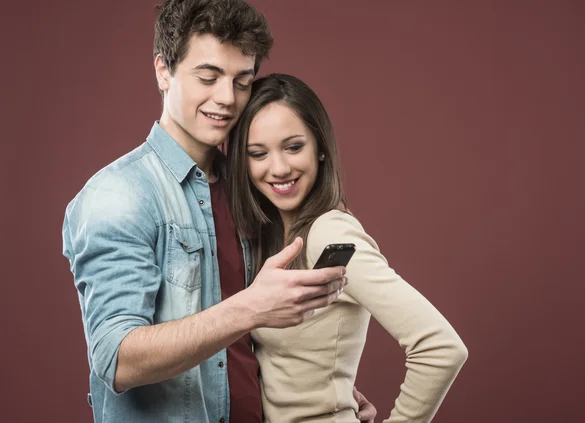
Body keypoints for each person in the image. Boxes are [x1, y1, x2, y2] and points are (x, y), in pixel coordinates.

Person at [61, 1, 376, 422]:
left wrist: (323, 391)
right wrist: (251, 306)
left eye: (241, 81)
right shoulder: (119, 196)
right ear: (163, 71)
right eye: (208, 77)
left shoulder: (248, 187)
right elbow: (116, 359)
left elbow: (249, 349)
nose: (226, 99)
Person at [226, 73, 469, 422]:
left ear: (321, 148)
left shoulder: (331, 234)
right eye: (258, 153)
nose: (278, 168)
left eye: (294, 147)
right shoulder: (271, 234)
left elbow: (441, 348)